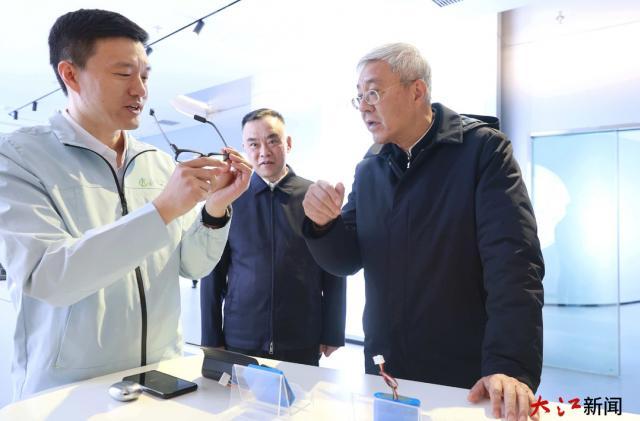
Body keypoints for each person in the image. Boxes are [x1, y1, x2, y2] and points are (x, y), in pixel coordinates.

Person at [0, 9, 252, 400]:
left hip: (161, 378)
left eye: (145, 76)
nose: (140, 90)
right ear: (71, 75)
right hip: (69, 392)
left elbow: (192, 265)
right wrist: (162, 210)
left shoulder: (157, 162)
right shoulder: (18, 157)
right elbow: (48, 277)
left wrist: (215, 209)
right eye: (123, 74)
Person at [302, 43, 544, 421]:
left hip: (464, 374)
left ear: (417, 91)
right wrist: (323, 225)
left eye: (373, 93)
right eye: (359, 97)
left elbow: (514, 263)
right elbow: (347, 259)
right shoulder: (370, 167)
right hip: (385, 369)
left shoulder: (482, 151)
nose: (364, 107)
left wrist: (509, 364)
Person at [200, 108, 346, 366]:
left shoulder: (314, 197)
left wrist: (333, 331)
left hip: (301, 337)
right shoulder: (230, 200)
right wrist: (211, 336)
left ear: (288, 143)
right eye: (253, 144)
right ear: (245, 149)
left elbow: (334, 267)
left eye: (272, 141)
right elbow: (212, 270)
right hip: (241, 336)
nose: (263, 152)